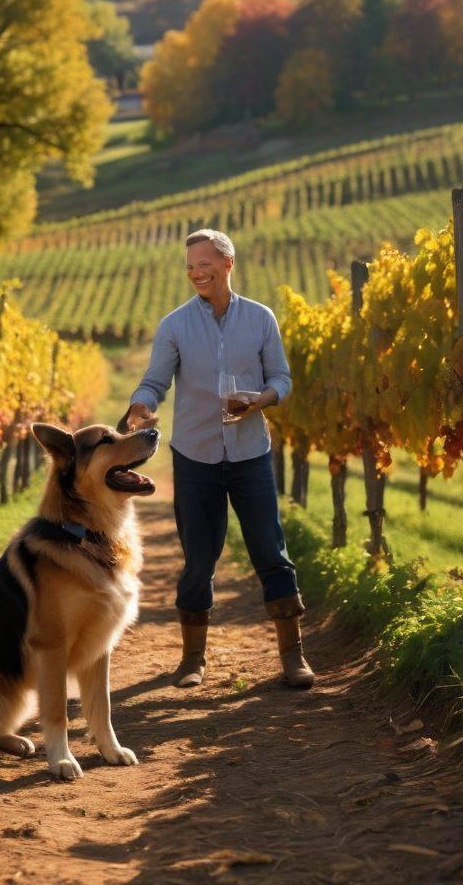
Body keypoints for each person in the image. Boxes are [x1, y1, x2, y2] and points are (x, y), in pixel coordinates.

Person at [123, 228, 314, 690]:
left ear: (228, 264)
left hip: (250, 453)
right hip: (195, 455)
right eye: (190, 266)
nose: (196, 273)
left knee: (271, 552)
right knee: (198, 561)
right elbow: (155, 381)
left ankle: (293, 656)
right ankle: (193, 661)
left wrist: (261, 398)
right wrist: (140, 404)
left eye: (204, 264)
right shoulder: (175, 325)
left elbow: (282, 379)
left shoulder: (260, 318)